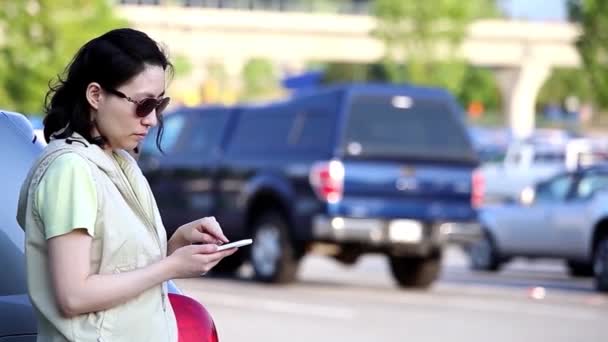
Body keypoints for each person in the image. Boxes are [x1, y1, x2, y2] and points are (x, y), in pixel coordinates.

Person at [16, 28, 237, 342]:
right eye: (144, 105)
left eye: (159, 106)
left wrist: (177, 243)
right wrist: (171, 267)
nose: (152, 120)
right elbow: (74, 295)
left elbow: (116, 267)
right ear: (95, 95)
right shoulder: (70, 170)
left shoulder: (119, 163)